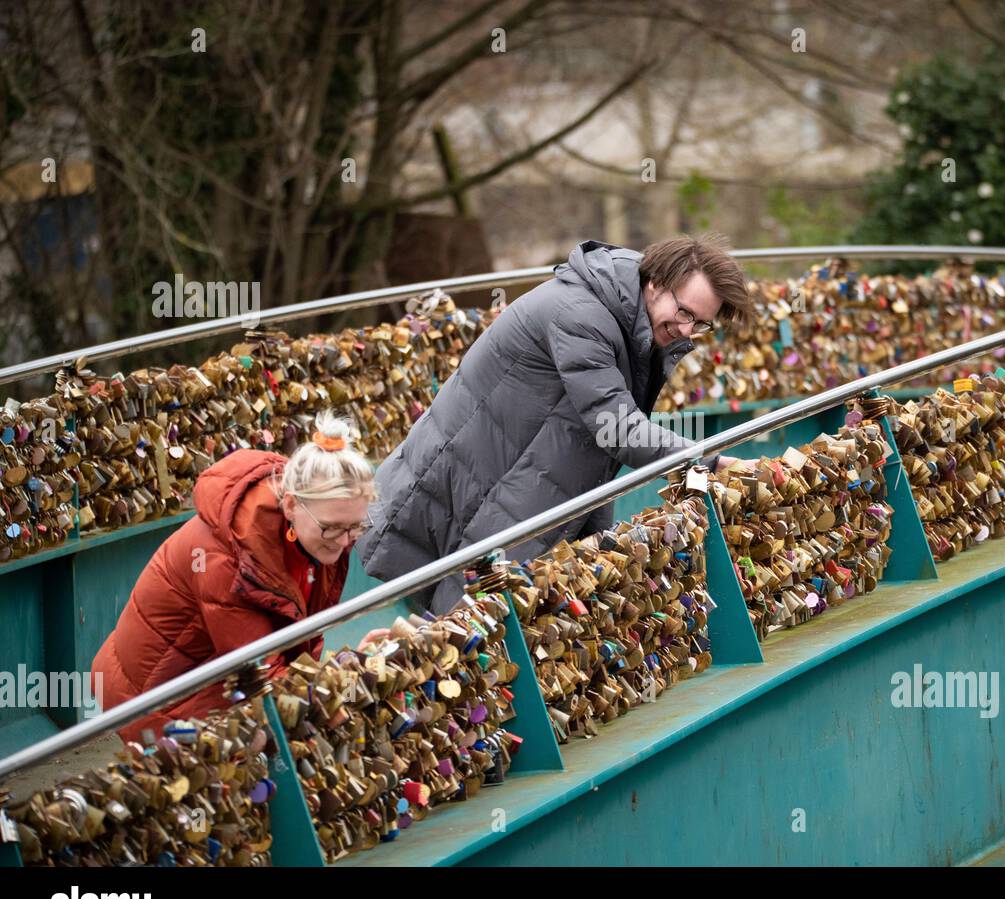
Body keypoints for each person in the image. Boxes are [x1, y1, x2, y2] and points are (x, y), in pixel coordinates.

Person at [359, 234, 756, 614]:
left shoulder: (624, 314)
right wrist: (710, 462)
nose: (685, 330)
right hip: (462, 492)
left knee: (469, 631)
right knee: (457, 636)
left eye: (700, 324)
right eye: (685, 313)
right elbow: (616, 427)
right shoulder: (582, 315)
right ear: (655, 282)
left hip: (506, 486)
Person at [92, 410, 388, 742]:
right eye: (333, 528)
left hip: (219, 679)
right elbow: (270, 687)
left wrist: (353, 669)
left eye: (356, 527)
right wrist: (353, 674)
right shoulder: (226, 563)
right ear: (290, 505)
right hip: (154, 701)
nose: (347, 540)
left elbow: (298, 646)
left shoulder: (319, 538)